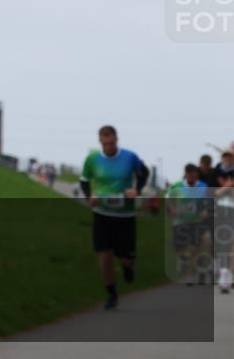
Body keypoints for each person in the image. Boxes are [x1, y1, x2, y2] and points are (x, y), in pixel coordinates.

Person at [78, 125, 149, 310]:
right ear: (100, 142)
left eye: (112, 143)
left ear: (117, 140)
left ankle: (127, 266)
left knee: (125, 257)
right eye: (105, 143)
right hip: (102, 213)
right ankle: (111, 293)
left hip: (125, 214)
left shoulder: (129, 157)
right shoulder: (92, 159)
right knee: (105, 255)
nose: (109, 147)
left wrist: (137, 190)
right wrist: (89, 197)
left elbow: (144, 174)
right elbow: (84, 181)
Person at [166, 164, 210, 286]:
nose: (191, 177)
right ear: (186, 174)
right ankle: (183, 260)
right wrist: (172, 209)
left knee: (193, 248)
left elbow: (207, 200)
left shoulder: (203, 186)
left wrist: (205, 210)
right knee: (180, 249)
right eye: (189, 174)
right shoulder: (177, 185)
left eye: (194, 174)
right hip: (179, 221)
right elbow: (169, 198)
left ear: (197, 174)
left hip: (196, 221)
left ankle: (190, 275)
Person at [215, 170, 234, 294]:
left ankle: (226, 276)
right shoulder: (219, 192)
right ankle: (224, 275)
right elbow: (215, 194)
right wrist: (226, 187)